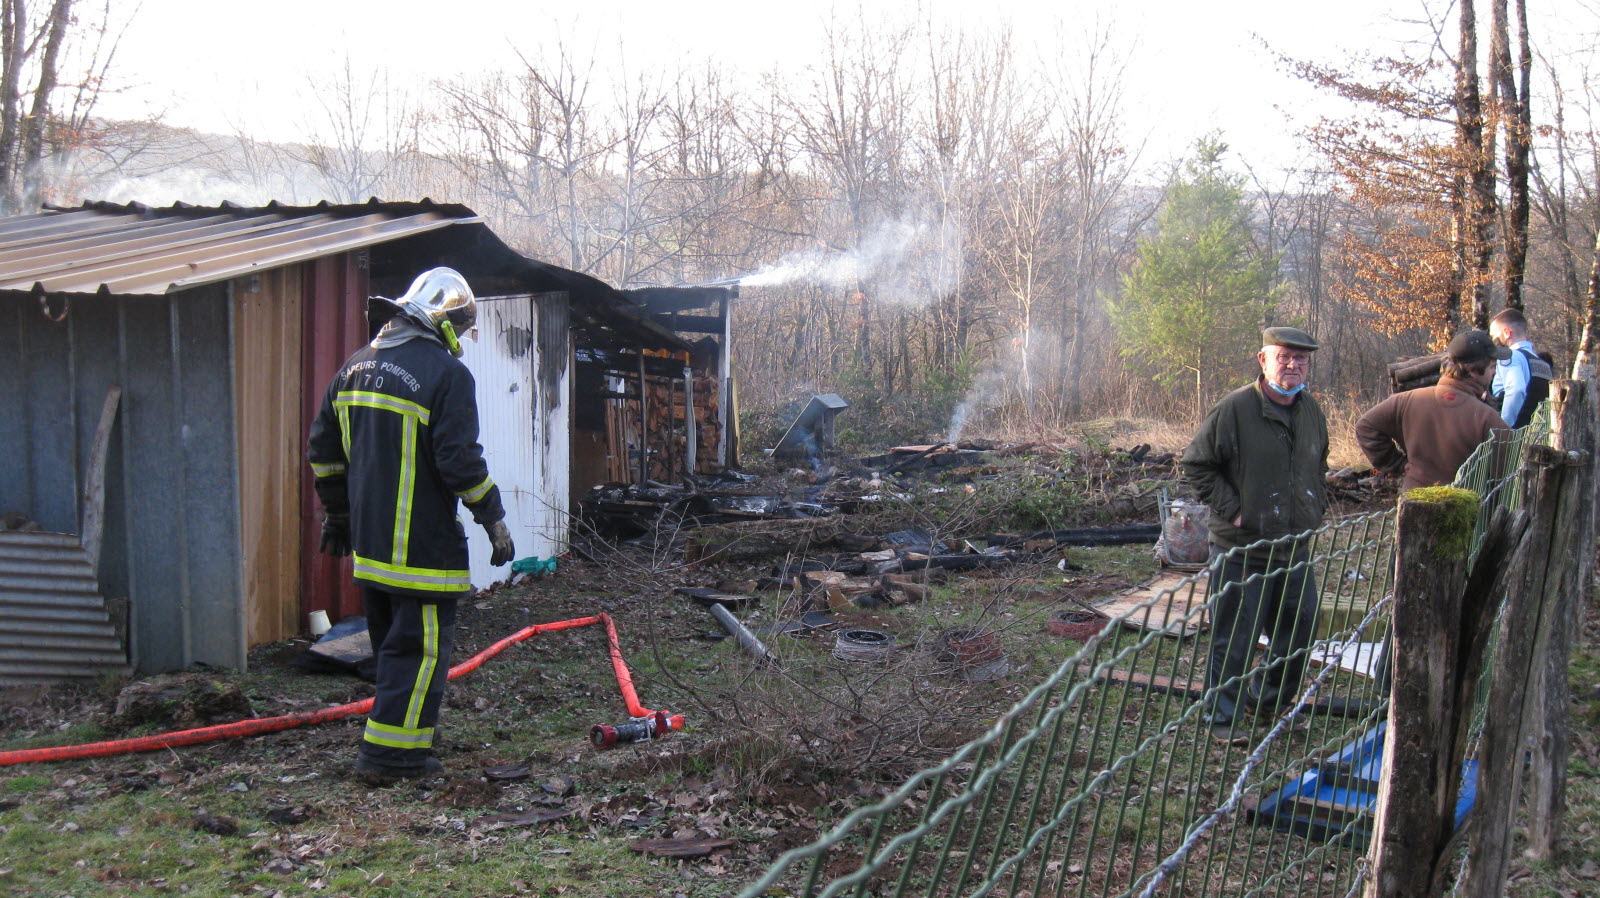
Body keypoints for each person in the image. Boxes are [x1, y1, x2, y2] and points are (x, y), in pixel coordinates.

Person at [307, 267, 515, 784]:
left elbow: (323, 453)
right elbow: (460, 463)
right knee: (419, 656)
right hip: (422, 549)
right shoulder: (446, 375)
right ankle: (392, 758)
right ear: (446, 320)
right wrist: (494, 519)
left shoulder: (353, 368)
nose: (464, 338)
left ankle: (407, 733)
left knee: (391, 653)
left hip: (371, 548)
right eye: (464, 326)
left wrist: (339, 515)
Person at [1181, 327, 1329, 745]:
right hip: (1241, 548)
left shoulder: (1311, 411)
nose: (1293, 365)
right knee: (1236, 636)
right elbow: (1197, 465)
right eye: (1284, 357)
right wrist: (1237, 512)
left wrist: (1315, 504)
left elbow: (1318, 463)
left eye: (1301, 359)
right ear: (1263, 360)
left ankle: (1268, 703)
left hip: (1294, 544)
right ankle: (1221, 717)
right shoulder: (1235, 409)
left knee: (1299, 631)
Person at [1355, 330, 1512, 491]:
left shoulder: (1406, 400)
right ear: (1473, 370)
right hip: (1464, 507)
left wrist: (1398, 465)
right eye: (1492, 367)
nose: (1494, 372)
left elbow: (1365, 426)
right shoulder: (1485, 417)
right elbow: (1510, 468)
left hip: (1413, 501)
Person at [1488, 308, 1554, 429]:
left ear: (1507, 332)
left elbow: (1516, 390)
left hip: (1513, 436)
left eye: (1494, 335)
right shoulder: (1542, 364)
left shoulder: (1510, 356)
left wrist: (1503, 429)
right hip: (1535, 433)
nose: (1493, 340)